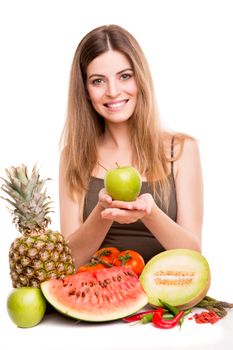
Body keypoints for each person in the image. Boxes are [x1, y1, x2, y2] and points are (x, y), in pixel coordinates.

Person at [59, 24, 203, 268]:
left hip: (166, 297)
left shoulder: (180, 150)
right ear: (85, 90)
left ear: (140, 79)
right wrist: (103, 211)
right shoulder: (73, 158)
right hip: (98, 295)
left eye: (124, 76)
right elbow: (69, 262)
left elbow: (194, 257)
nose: (113, 92)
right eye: (98, 81)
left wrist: (150, 212)